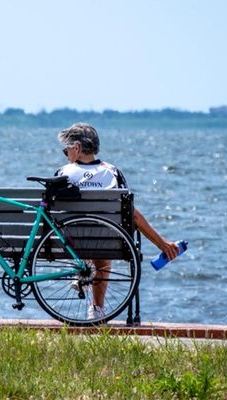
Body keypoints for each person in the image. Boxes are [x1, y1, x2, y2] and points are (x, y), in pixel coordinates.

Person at [55, 122, 179, 320]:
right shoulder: (112, 172)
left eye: (66, 149)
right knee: (101, 237)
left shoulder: (63, 174)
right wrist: (162, 244)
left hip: (69, 244)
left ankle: (83, 273)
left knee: (82, 231)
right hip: (107, 243)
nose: (66, 154)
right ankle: (96, 308)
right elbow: (132, 214)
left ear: (76, 148)